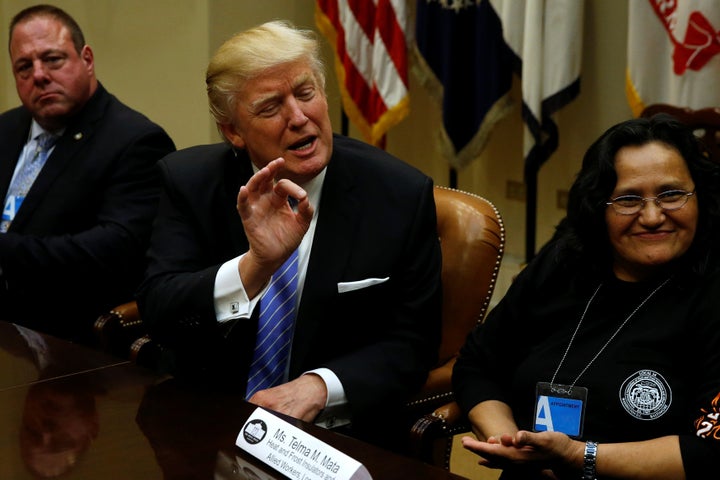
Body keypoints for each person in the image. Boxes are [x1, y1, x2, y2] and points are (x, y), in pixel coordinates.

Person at [136, 20, 442, 448]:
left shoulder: (398, 194)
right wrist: (254, 267)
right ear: (233, 132)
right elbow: (159, 310)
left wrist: (319, 387)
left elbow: (414, 342)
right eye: (270, 107)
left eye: (305, 92)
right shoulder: (189, 181)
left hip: (333, 436)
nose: (299, 118)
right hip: (206, 419)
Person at [453, 114, 720, 479]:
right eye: (628, 199)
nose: (654, 216)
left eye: (672, 194)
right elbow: (478, 363)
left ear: (701, 197)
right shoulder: (565, 259)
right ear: (599, 207)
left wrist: (578, 456)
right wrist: (512, 441)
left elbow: (710, 449)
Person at [0, 5, 176, 345]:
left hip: (67, 337)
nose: (39, 74)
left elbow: (112, 252)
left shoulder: (136, 141)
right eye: (24, 66)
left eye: (52, 59)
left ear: (87, 59)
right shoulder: (6, 129)